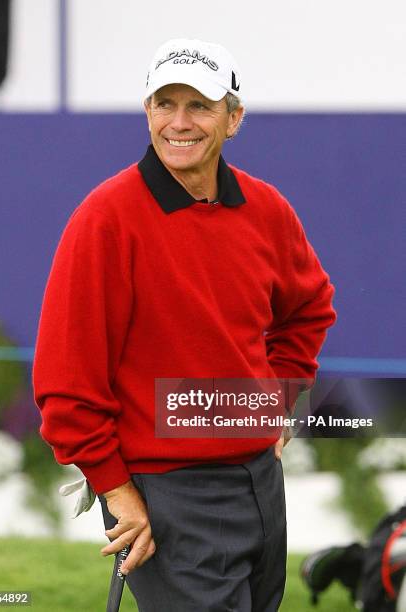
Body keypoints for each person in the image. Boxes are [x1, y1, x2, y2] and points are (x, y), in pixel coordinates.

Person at [33, 38, 337, 611]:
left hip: (259, 483)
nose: (179, 122)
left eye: (199, 105)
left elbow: (309, 308)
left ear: (234, 117)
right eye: (163, 103)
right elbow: (66, 382)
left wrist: (276, 402)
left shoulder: (266, 208)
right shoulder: (106, 219)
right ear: (146, 111)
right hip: (166, 490)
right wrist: (117, 492)